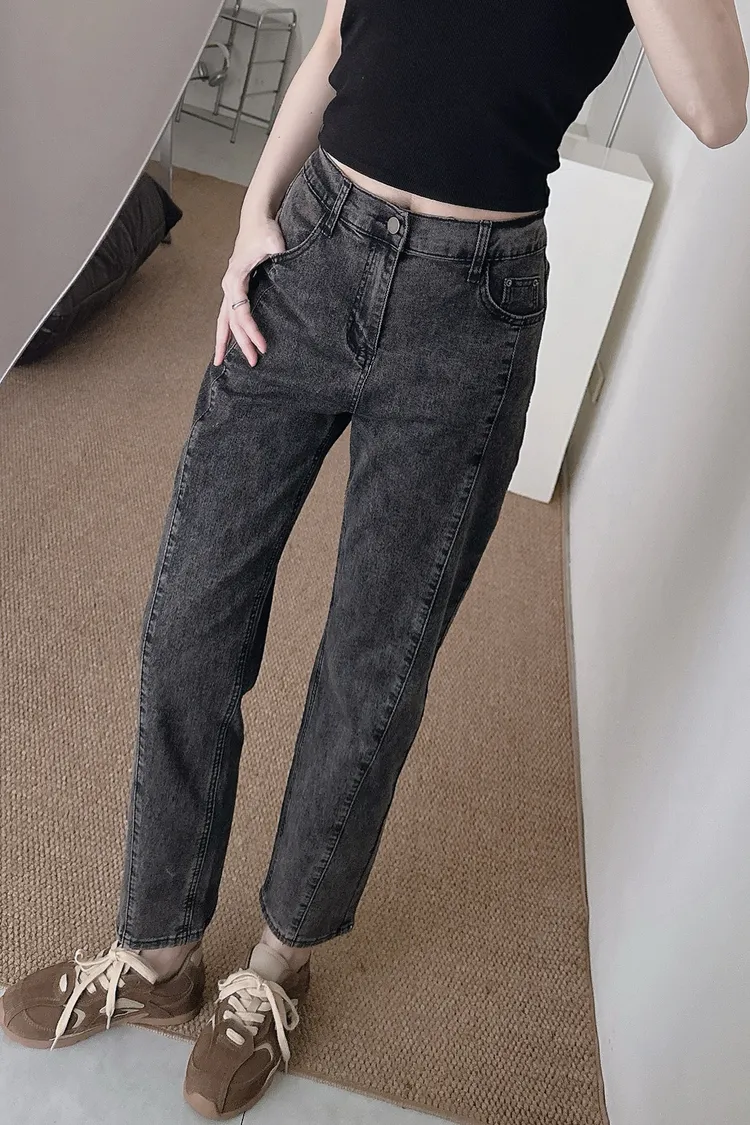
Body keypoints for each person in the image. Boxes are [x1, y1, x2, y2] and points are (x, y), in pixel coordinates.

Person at [2, 0, 747, 1118]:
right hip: (314, 248)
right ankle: (157, 955)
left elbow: (719, 109)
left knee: (374, 673)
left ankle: (277, 965)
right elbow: (338, 41)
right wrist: (253, 213)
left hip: (471, 305)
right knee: (190, 616)